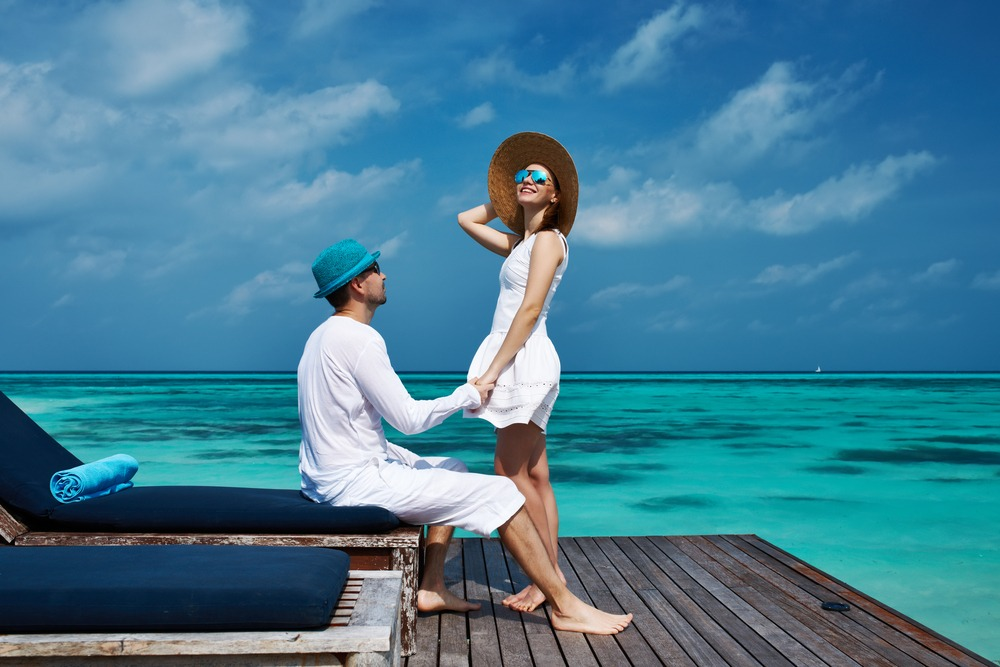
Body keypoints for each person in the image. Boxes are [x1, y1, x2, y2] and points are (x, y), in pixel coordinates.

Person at [297, 238, 632, 635]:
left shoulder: (321, 336)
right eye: (374, 270)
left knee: (452, 466)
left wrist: (393, 453)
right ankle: (565, 606)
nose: (383, 275)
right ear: (357, 285)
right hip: (355, 483)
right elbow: (408, 419)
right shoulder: (360, 339)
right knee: (503, 492)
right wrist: (467, 394)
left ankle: (433, 587)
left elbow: (346, 421)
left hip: (325, 478)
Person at [458, 132, 576, 612]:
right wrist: (506, 197)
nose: (526, 180)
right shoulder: (520, 243)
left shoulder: (548, 240)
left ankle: (545, 582)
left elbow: (528, 310)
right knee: (536, 475)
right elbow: (465, 218)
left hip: (522, 358)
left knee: (508, 473)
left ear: (555, 194)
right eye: (521, 176)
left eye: (538, 177)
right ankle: (552, 578)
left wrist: (491, 371)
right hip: (522, 356)